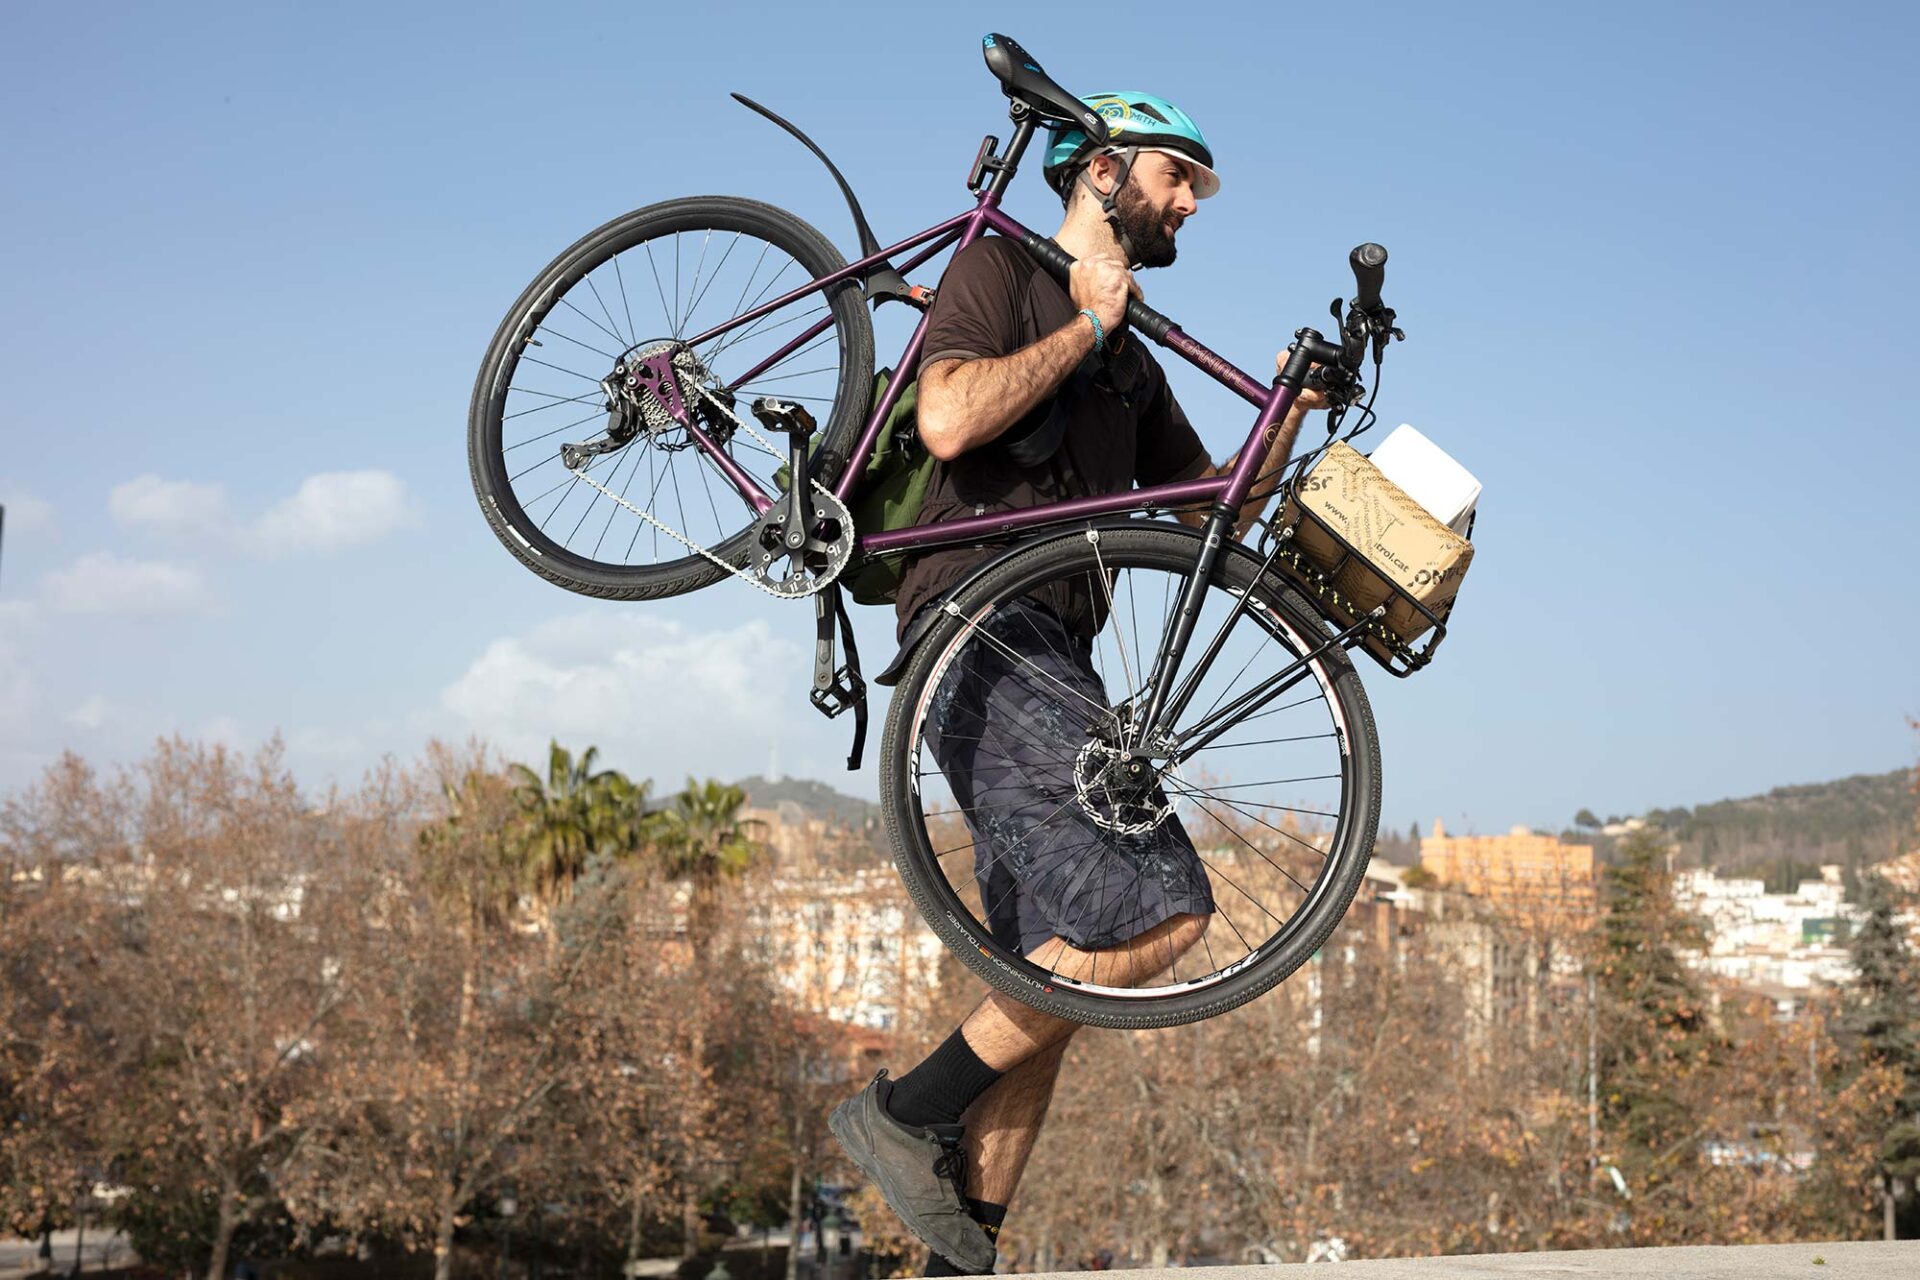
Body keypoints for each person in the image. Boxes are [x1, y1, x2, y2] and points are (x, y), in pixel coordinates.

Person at [829, 92, 1327, 1275]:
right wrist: (1084, 326)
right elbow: (947, 418)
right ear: (1100, 171)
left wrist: (1291, 411)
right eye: (1175, 174)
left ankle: (966, 1253)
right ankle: (904, 1113)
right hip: (981, 621)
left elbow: (1207, 502)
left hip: (1055, 647)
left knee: (1057, 969)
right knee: (1162, 912)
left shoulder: (1131, 365)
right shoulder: (1000, 268)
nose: (1191, 200)